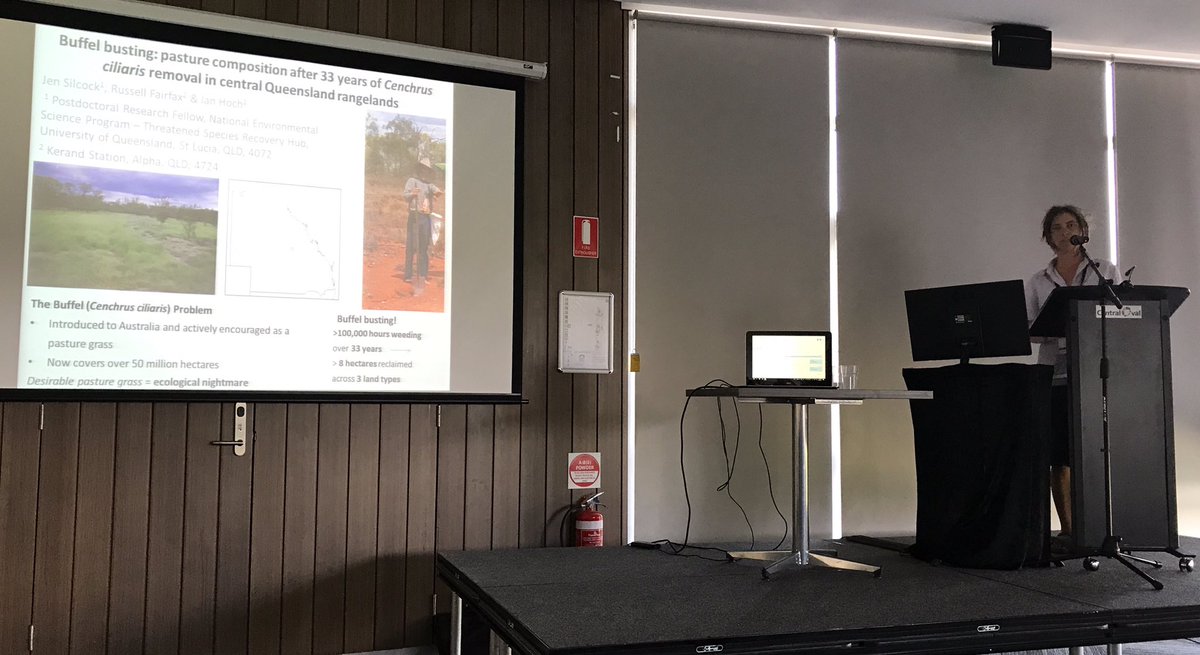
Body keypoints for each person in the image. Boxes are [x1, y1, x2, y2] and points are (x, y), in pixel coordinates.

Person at [1024, 205, 1122, 549]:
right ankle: (1067, 531)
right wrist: (1049, 326)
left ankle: (1097, 526)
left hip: (1096, 372)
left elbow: (1124, 316)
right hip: (1054, 373)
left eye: (1071, 225)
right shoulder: (1038, 281)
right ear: (1049, 238)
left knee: (1094, 449)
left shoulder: (1104, 270)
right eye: (1057, 228)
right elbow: (1030, 331)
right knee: (1058, 453)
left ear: (1083, 230)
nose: (1065, 232)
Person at [403, 158, 442, 295]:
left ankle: (423, 275)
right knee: (411, 247)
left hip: (425, 218)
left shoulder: (429, 184)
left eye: (426, 169)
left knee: (424, 247)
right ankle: (408, 275)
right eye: (422, 168)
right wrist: (412, 193)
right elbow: (405, 196)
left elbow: (438, 191)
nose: (424, 171)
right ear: (419, 169)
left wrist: (436, 195)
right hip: (414, 217)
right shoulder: (411, 181)